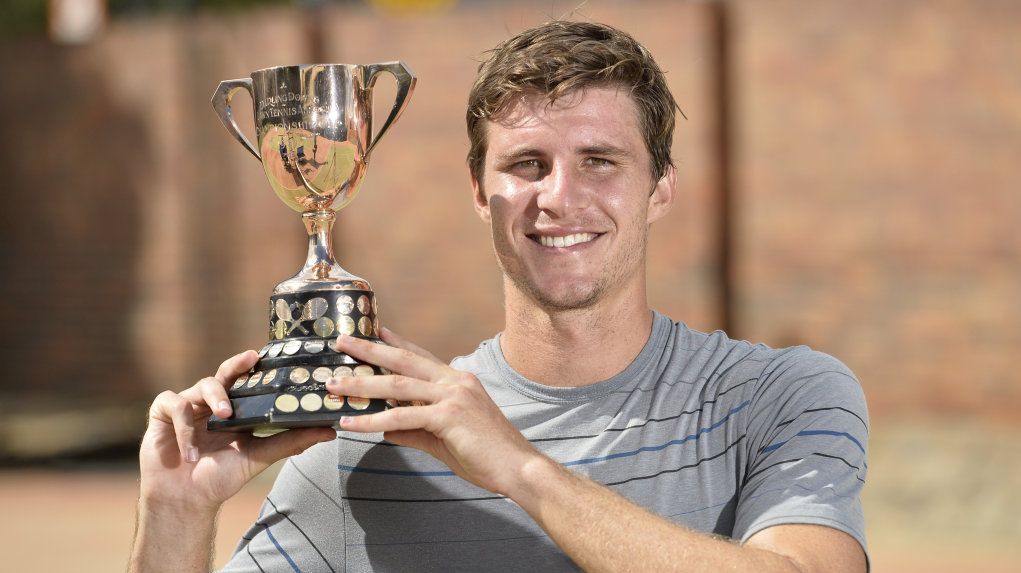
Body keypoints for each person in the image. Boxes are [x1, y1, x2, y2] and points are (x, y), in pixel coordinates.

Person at [129, 21, 869, 573]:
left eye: (599, 161)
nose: (559, 196)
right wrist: (175, 511)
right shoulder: (361, 451)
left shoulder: (783, 394)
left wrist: (516, 466)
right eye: (526, 163)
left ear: (660, 188)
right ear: (480, 194)